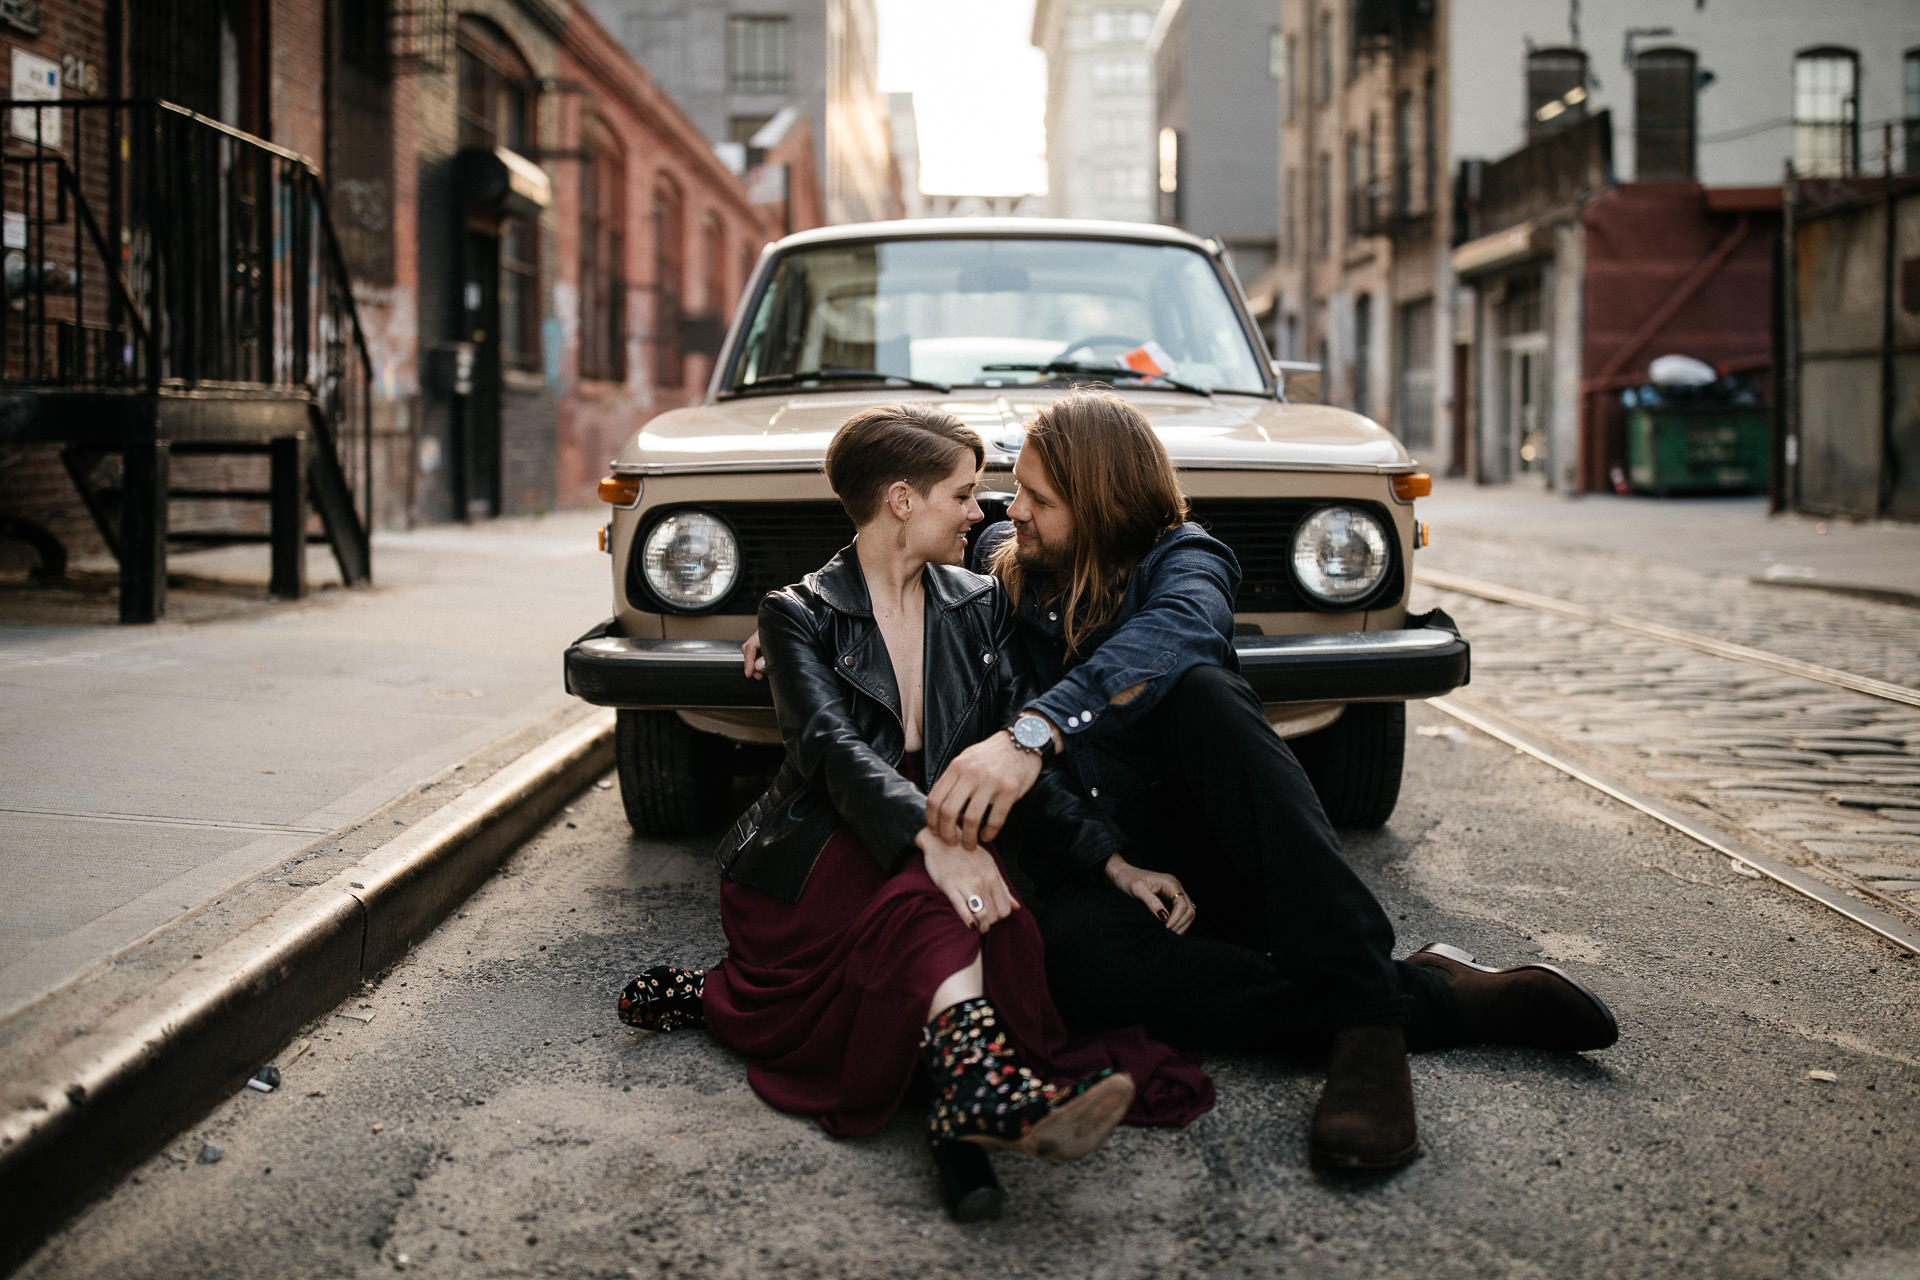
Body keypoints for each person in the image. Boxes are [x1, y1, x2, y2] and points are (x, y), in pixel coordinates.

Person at [910, 387, 1620, 1173]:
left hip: (1219, 848)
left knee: (1202, 690)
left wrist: (1034, 734)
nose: (1016, 512)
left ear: (1103, 504)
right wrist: (798, 618)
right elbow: (891, 538)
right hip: (1108, 862)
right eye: (1018, 492)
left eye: (1040, 499)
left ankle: (1368, 1031)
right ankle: (1434, 999)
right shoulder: (1005, 559)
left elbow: (1182, 628)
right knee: (1075, 969)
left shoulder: (1186, 557)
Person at [622, 403, 1211, 1221]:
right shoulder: (797, 615)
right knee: (947, 903)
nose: (985, 513)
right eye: (963, 495)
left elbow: (1016, 757)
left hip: (944, 829)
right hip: (819, 847)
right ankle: (968, 1100)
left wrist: (1112, 859)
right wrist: (933, 841)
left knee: (960, 914)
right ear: (902, 500)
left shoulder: (981, 605)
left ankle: (969, 1097)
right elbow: (833, 752)